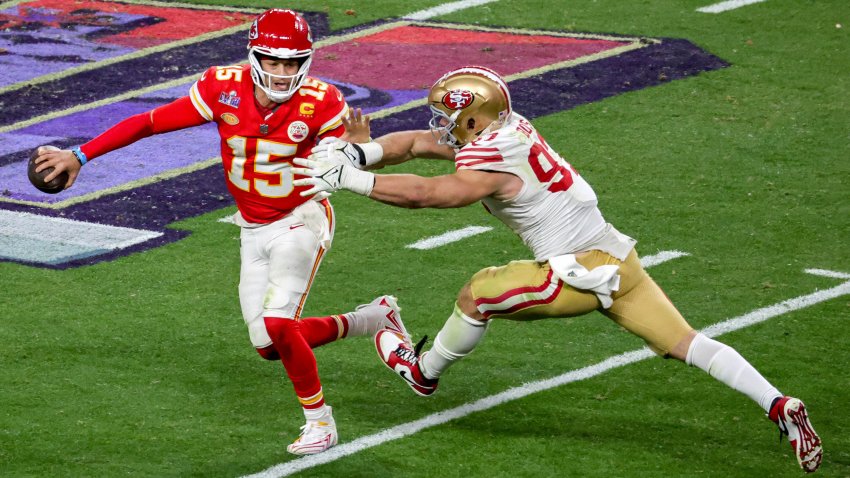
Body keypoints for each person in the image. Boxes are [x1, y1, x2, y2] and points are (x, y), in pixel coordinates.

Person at [291, 65, 823, 472]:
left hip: (572, 273)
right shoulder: (507, 127)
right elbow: (416, 144)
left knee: (477, 293)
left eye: (449, 117)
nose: (441, 126)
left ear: (473, 118)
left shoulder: (490, 156)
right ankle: (778, 404)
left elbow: (432, 195)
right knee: (687, 342)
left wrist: (352, 181)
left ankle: (423, 373)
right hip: (617, 257)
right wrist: (362, 157)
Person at [32, 8, 409, 456]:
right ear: (255, 56)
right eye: (274, 61)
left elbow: (359, 161)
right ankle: (372, 319)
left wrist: (360, 149)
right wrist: (81, 154)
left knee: (278, 323)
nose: (283, 72)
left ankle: (320, 422)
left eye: (292, 63)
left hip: (301, 217)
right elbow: (150, 122)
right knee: (270, 345)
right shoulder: (222, 88)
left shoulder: (324, 101)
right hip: (251, 224)